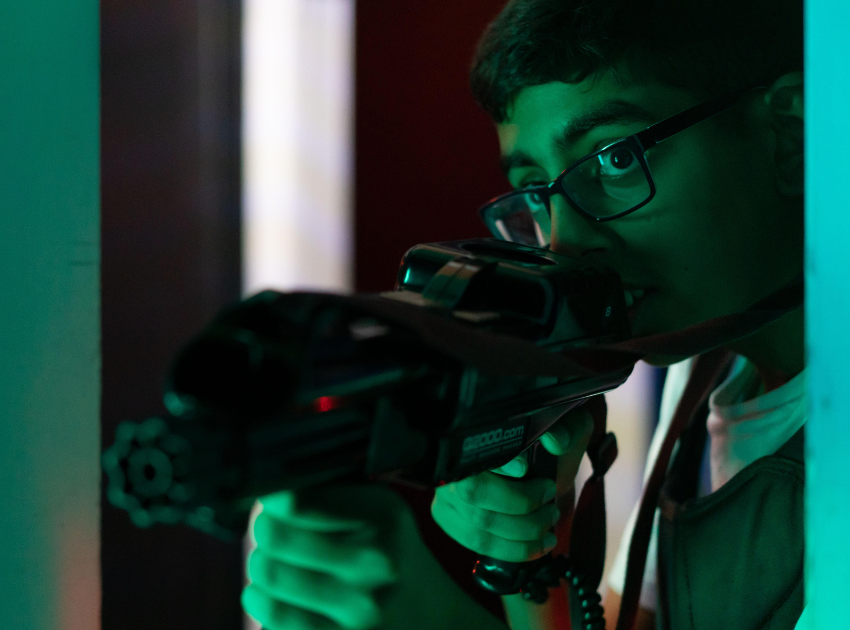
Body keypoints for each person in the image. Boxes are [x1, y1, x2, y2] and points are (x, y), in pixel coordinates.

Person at [240, 0, 805, 628]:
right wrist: (538, 537)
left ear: (791, 134)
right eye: (538, 192)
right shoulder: (708, 365)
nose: (564, 242)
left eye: (616, 158)